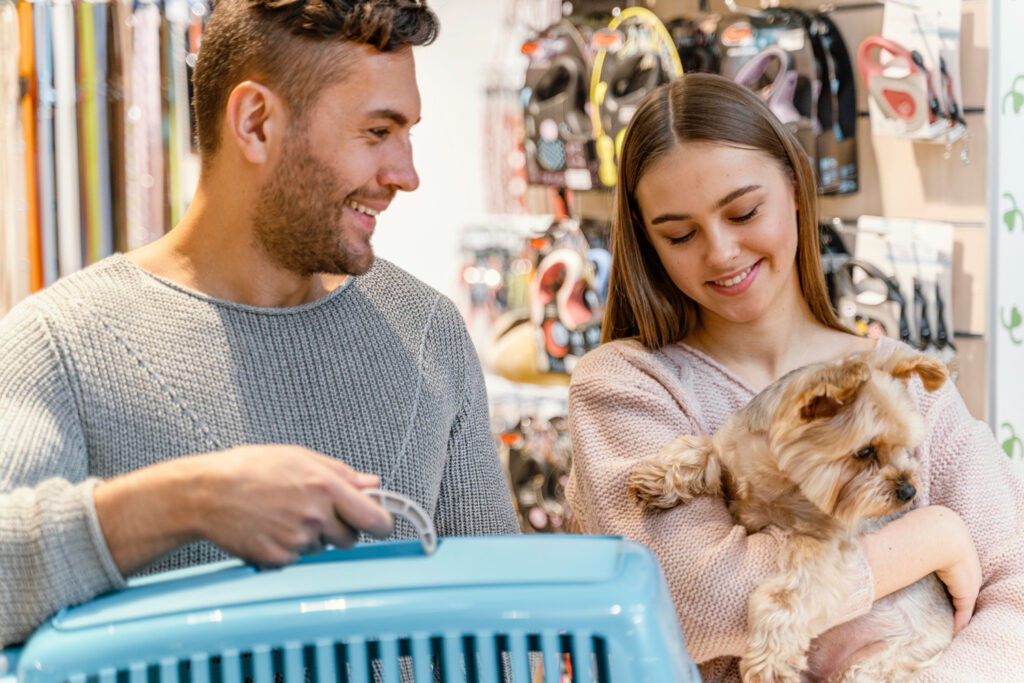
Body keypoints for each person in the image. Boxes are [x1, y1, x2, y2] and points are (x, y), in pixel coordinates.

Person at [0, 0, 518, 647]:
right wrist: (189, 498)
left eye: (406, 132)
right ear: (255, 123)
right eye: (377, 132)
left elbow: (499, 622)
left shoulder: (428, 331)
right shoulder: (62, 342)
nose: (405, 175)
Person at [566, 73, 1024, 681]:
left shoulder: (902, 385)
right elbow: (690, 603)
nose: (721, 252)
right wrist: (930, 537)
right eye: (680, 234)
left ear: (797, 186)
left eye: (744, 212)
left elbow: (1014, 590)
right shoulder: (625, 386)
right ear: (646, 240)